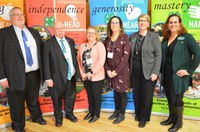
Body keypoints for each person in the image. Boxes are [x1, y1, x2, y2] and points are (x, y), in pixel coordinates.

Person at [0, 7, 46, 132]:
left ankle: (36, 117)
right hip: (14, 75)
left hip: (34, 74)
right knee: (16, 103)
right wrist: (2, 77)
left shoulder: (34, 32)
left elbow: (42, 52)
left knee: (33, 98)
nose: (20, 16)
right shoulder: (3, 34)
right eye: (16, 14)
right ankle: (18, 126)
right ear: (11, 18)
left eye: (21, 14)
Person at [160, 14, 200, 132]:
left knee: (177, 98)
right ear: (168, 24)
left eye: (175, 22)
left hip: (178, 75)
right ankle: (172, 118)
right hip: (166, 74)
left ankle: (179, 122)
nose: (173, 24)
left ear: (180, 24)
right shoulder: (166, 38)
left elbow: (198, 54)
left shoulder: (186, 37)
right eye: (170, 22)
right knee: (169, 97)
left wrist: (189, 70)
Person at [42, 21, 80, 127]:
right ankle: (58, 118)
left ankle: (69, 114)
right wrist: (48, 78)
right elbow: (45, 63)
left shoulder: (70, 41)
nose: (60, 30)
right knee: (56, 99)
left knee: (70, 97)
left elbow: (73, 58)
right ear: (53, 30)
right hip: (56, 78)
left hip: (70, 76)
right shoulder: (48, 44)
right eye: (57, 29)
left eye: (62, 28)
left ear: (64, 28)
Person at [129, 14, 162, 128]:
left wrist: (155, 72)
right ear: (137, 23)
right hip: (135, 72)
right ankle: (138, 114)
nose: (142, 23)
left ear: (148, 23)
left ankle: (144, 118)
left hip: (149, 72)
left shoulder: (153, 36)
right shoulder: (133, 36)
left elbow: (158, 55)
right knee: (136, 95)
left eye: (144, 21)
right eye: (140, 21)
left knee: (147, 96)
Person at [105, 16, 130, 124]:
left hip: (122, 72)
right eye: (112, 23)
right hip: (111, 72)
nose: (114, 24)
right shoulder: (107, 39)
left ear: (120, 26)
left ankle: (121, 114)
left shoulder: (124, 37)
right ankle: (116, 111)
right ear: (110, 25)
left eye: (116, 23)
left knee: (122, 93)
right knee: (115, 92)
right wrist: (108, 70)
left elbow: (126, 56)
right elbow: (104, 56)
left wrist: (116, 71)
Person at [77, 26, 106, 123]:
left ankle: (96, 114)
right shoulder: (82, 46)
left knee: (96, 96)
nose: (91, 35)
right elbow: (78, 61)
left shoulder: (100, 45)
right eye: (89, 33)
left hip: (97, 76)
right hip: (85, 77)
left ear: (96, 35)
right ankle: (91, 112)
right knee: (90, 95)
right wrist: (82, 73)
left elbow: (101, 61)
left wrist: (92, 72)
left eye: (93, 33)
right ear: (86, 35)